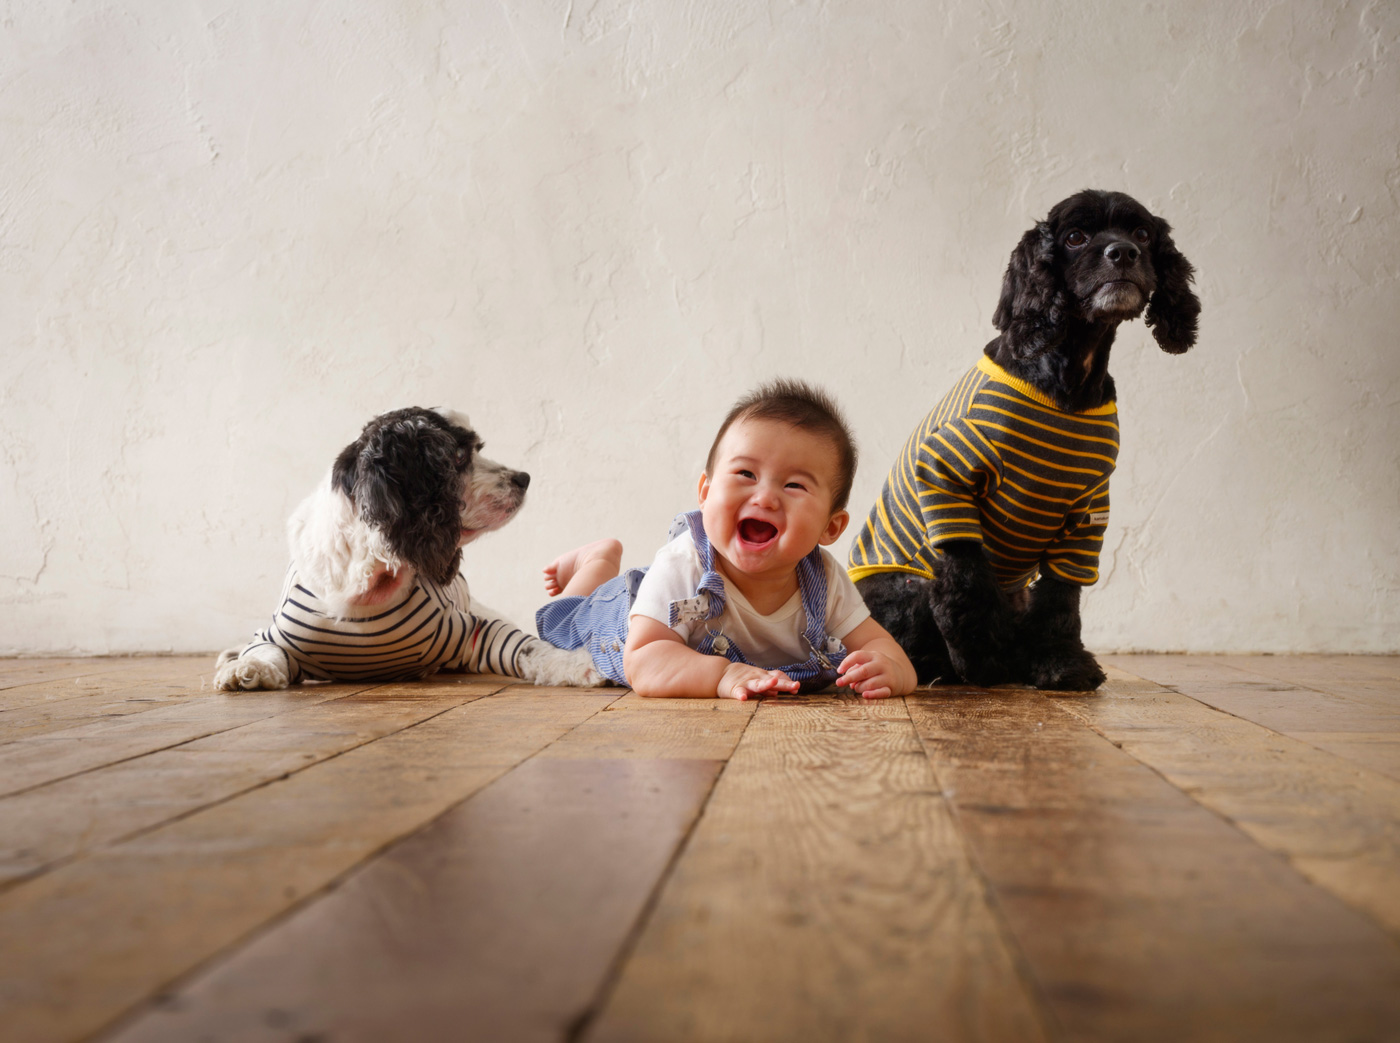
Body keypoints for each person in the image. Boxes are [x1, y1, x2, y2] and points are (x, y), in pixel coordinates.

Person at [536, 380, 918, 701]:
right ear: (704, 492)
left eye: (794, 485)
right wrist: (721, 676)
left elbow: (888, 651)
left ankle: (600, 562)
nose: (766, 497)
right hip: (624, 618)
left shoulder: (825, 581)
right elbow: (645, 660)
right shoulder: (684, 566)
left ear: (830, 528)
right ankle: (596, 563)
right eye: (746, 473)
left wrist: (891, 670)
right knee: (574, 618)